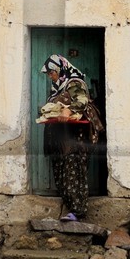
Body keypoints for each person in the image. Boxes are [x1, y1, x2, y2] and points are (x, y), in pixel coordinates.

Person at [38, 54, 104, 218]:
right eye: (48, 74)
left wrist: (69, 110)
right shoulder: (58, 87)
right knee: (61, 172)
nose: (50, 76)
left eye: (51, 72)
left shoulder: (74, 82)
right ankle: (71, 208)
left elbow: (81, 100)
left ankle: (77, 211)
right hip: (61, 137)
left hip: (75, 137)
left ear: (60, 69)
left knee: (73, 169)